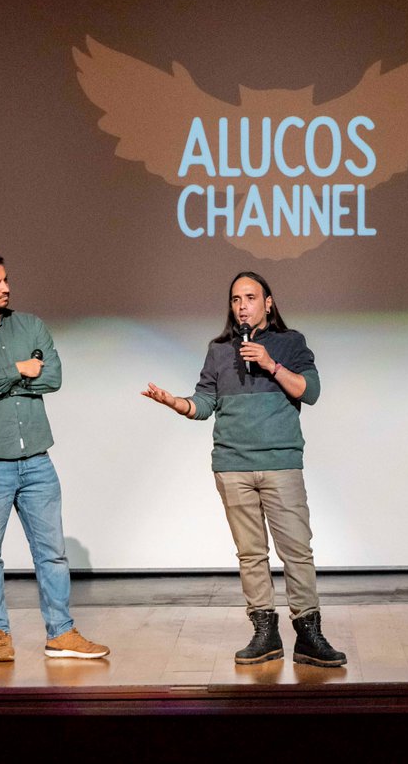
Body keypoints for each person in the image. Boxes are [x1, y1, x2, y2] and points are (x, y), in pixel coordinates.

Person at [142, 272, 346, 667]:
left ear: (268, 303)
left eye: (250, 298)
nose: (242, 306)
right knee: (251, 555)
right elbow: (204, 404)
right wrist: (175, 403)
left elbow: (311, 391)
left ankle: (308, 634)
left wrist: (271, 365)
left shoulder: (291, 343)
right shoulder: (219, 350)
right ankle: (264, 632)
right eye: (236, 299)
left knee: (297, 553)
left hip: (280, 463)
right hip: (233, 466)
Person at [0, 248, 108, 662]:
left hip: (36, 458)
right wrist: (20, 367)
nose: (6, 288)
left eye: (5, 280)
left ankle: (61, 633)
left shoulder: (31, 324)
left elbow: (52, 376)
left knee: (51, 551)